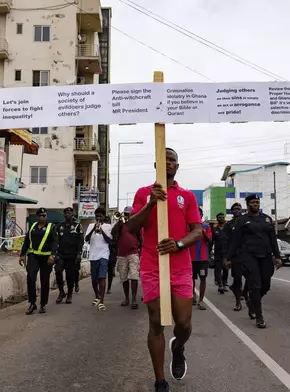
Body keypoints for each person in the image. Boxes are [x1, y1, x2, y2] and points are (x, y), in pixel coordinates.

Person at [127, 147, 202, 392]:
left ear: (177, 166)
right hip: (152, 265)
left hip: (180, 267)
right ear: (157, 164)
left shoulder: (187, 196)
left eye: (173, 160)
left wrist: (179, 243)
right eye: (165, 159)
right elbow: (131, 226)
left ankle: (178, 347)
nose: (169, 163)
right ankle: (160, 381)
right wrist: (150, 205)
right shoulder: (143, 193)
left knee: (183, 323)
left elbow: (198, 230)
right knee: (156, 322)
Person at [226, 194, 282, 328]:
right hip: (248, 256)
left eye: (257, 202)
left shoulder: (267, 220)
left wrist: (277, 256)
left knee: (265, 285)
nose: (255, 204)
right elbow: (236, 241)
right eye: (252, 202)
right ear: (248, 204)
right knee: (255, 285)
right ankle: (259, 316)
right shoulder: (242, 220)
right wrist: (229, 258)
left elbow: (273, 240)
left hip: (266, 256)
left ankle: (251, 301)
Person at [19, 208, 58, 315]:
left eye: (44, 215)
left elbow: (55, 242)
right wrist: (22, 254)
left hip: (46, 258)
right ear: (37, 217)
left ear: (46, 216)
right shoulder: (32, 226)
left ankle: (43, 304)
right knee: (31, 278)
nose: (42, 217)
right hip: (33, 256)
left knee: (44, 281)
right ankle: (32, 303)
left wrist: (53, 255)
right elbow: (27, 241)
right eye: (40, 215)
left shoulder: (51, 227)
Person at [112, 206, 142, 309]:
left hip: (133, 253)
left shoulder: (135, 225)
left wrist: (140, 252)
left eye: (128, 214)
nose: (126, 215)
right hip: (121, 254)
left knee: (134, 276)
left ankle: (133, 299)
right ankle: (126, 298)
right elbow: (113, 232)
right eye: (125, 214)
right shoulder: (120, 225)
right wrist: (119, 222)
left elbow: (140, 238)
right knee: (123, 277)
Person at [85, 207, 113, 311]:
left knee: (102, 277)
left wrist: (101, 229)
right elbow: (86, 239)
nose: (98, 218)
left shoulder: (108, 226)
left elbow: (109, 241)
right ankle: (97, 295)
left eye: (100, 216)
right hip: (93, 255)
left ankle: (102, 301)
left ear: (104, 217)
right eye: (97, 216)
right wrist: (94, 229)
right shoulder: (90, 226)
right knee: (94, 279)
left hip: (104, 255)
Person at [55, 207, 84, 304]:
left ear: (73, 215)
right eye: (66, 213)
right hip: (61, 254)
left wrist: (79, 253)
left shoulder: (77, 226)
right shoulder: (59, 226)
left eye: (70, 213)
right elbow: (56, 240)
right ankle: (61, 292)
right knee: (58, 271)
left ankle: (70, 294)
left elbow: (81, 241)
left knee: (70, 275)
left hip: (72, 255)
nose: (68, 214)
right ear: (64, 215)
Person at [224, 203, 247, 309]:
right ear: (232, 211)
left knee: (251, 278)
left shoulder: (246, 221)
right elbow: (226, 241)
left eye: (239, 209)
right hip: (235, 255)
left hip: (247, 254)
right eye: (235, 209)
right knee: (237, 279)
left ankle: (244, 293)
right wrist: (227, 257)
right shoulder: (229, 225)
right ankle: (238, 302)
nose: (237, 210)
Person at [192, 207, 212, 310]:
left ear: (201, 215)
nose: (197, 215)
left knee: (203, 279)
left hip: (203, 259)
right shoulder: (188, 227)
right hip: (191, 259)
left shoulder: (206, 226)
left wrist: (203, 232)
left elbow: (210, 241)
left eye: (199, 213)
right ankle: (193, 296)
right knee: (191, 279)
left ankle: (201, 300)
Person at [212, 212, 229, 293]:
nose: (221, 218)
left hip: (226, 252)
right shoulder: (215, 229)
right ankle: (220, 285)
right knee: (218, 269)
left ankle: (224, 282)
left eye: (222, 217)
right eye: (219, 217)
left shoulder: (228, 228)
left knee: (226, 268)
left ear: (224, 218)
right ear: (217, 219)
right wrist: (210, 251)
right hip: (217, 252)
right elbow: (212, 241)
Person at [105, 215, 118, 294]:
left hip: (111, 252)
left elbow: (115, 241)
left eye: (108, 220)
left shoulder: (112, 230)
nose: (106, 221)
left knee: (110, 271)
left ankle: (109, 287)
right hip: (103, 252)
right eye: (106, 220)